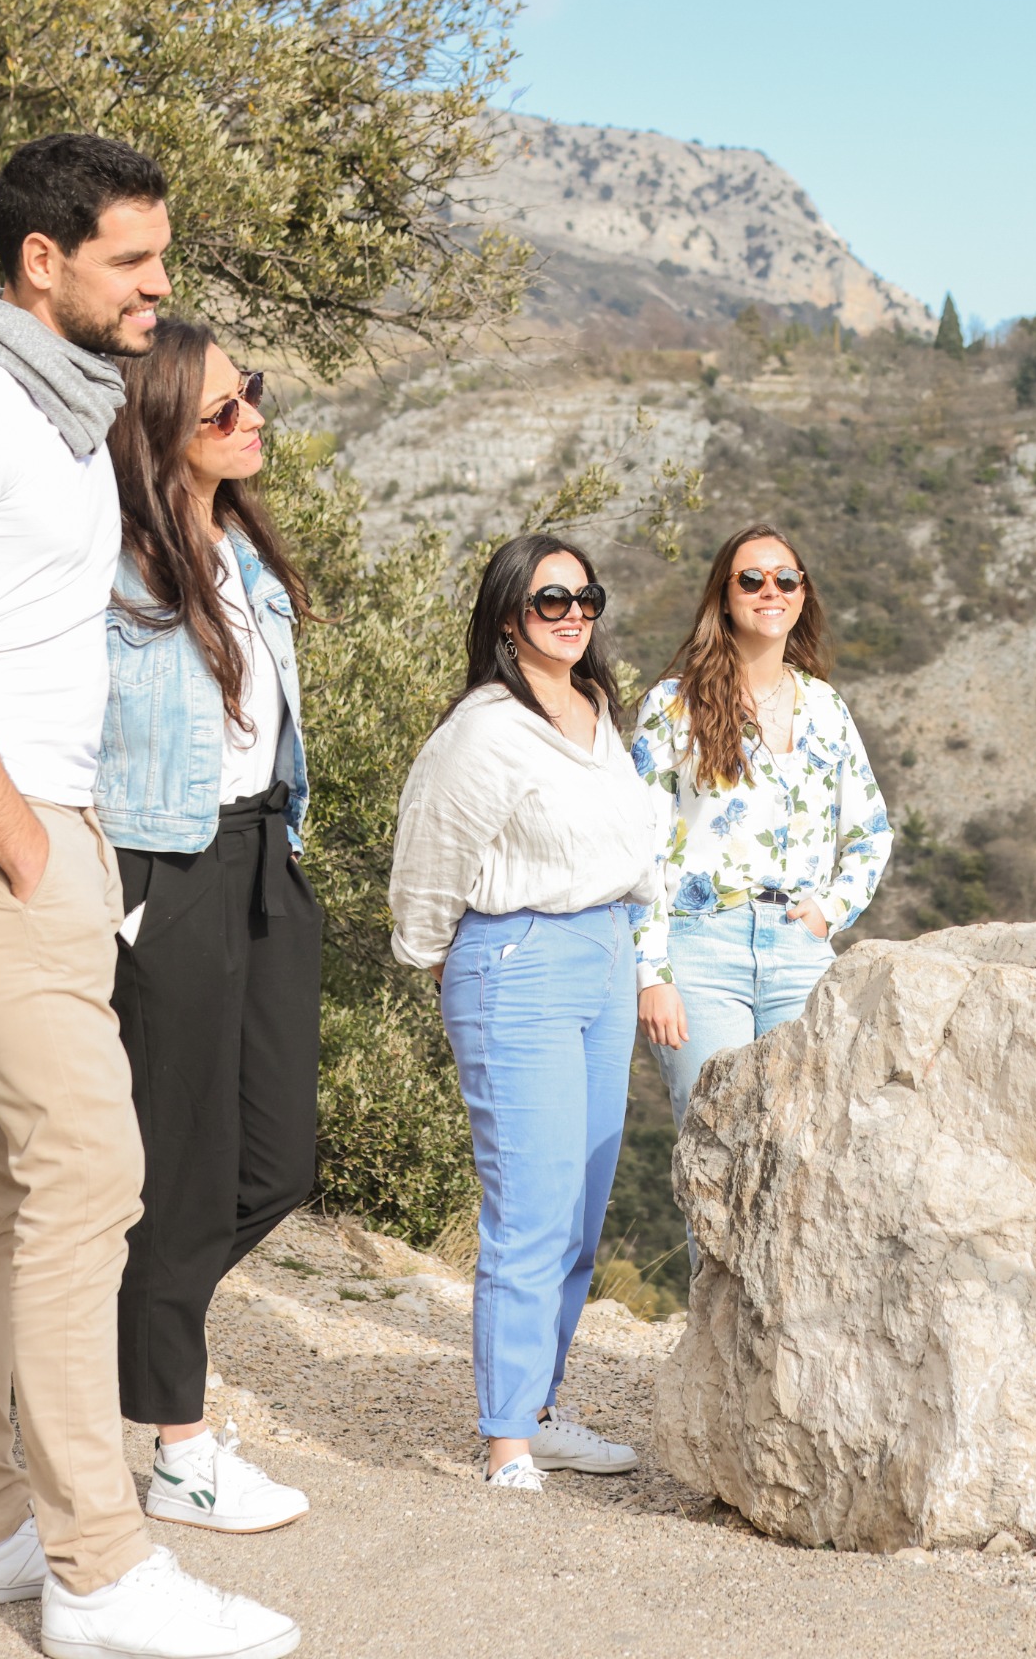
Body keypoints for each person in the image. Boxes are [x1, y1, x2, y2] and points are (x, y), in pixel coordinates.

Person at [0, 135, 297, 1658]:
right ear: (41, 260)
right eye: (132, 262)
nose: (157, 290)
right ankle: (103, 1571)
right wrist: (29, 844)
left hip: (43, 827)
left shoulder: (51, 404)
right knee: (93, 1177)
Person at [94, 318, 320, 1534]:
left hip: (258, 854)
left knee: (279, 1158)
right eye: (227, 408)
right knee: (178, 1166)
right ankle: (178, 1445)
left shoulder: (244, 551)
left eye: (255, 395)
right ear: (165, 427)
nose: (253, 419)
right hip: (162, 860)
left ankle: (108, 1331)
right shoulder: (115, 560)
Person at [389, 534, 661, 1490]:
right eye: (551, 601)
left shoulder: (598, 714)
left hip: (604, 958)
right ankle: (507, 1439)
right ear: (509, 619)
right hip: (519, 959)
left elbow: (632, 848)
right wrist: (439, 966)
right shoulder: (484, 729)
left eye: (586, 595)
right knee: (531, 1210)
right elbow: (427, 859)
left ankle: (540, 1409)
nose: (575, 613)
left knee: (581, 1213)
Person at [631, 524, 891, 1122]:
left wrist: (831, 911)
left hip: (801, 952)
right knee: (715, 1146)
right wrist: (651, 973)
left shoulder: (826, 707)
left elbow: (870, 830)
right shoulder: (673, 705)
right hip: (698, 950)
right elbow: (635, 848)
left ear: (803, 595)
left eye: (785, 579)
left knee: (800, 1147)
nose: (768, 590)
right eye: (750, 579)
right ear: (723, 595)